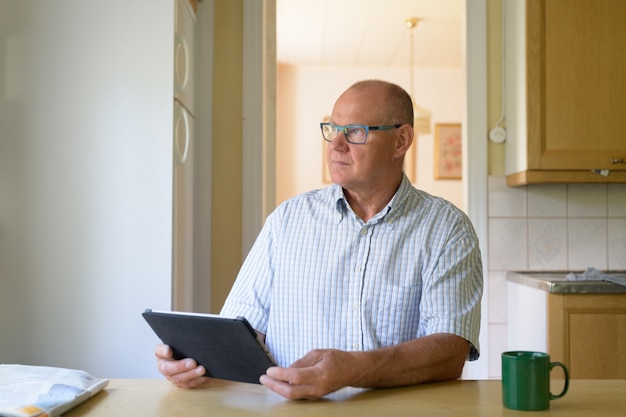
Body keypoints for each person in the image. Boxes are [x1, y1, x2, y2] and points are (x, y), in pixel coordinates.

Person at [156, 79, 483, 400]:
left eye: (355, 132)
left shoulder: (447, 228)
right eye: (332, 129)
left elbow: (450, 350)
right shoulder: (286, 220)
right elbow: (242, 330)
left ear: (401, 141)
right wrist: (195, 361)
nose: (336, 145)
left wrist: (353, 369)